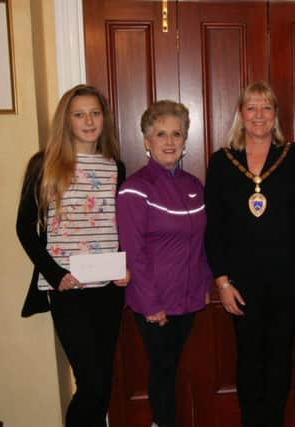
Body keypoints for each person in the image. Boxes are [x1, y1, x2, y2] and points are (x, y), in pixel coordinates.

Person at [204, 81, 295, 427]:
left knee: (279, 357)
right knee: (248, 357)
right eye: (252, 108)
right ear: (241, 115)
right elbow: (213, 228)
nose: (259, 115)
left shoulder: (294, 158)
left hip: (289, 281)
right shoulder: (222, 161)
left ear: (275, 116)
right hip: (241, 283)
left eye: (266, 108)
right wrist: (222, 282)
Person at [16, 84, 128, 427]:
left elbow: (118, 225)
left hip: (109, 289)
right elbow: (25, 229)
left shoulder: (114, 167)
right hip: (67, 289)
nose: (89, 121)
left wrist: (125, 265)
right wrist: (54, 274)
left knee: (103, 383)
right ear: (67, 121)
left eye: (95, 113)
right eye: (79, 114)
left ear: (104, 119)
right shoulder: (45, 164)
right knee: (90, 383)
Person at [116, 100, 212, 427]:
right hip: (155, 302)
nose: (169, 142)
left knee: (172, 367)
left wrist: (203, 286)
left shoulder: (194, 187)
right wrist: (150, 302)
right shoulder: (134, 189)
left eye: (177, 134)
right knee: (162, 370)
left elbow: (202, 244)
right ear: (146, 141)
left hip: (188, 300)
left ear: (185, 141)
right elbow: (132, 250)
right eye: (160, 134)